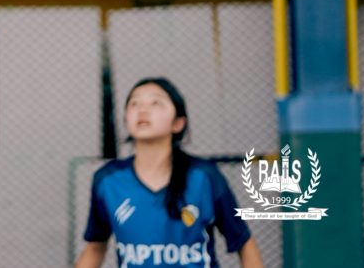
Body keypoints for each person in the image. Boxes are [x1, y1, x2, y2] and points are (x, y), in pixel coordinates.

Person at [75, 77, 264, 268]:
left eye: (156, 103)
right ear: (126, 120)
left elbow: (244, 243)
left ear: (178, 123)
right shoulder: (108, 181)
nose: (143, 109)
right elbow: (95, 248)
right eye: (134, 104)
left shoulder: (204, 177)